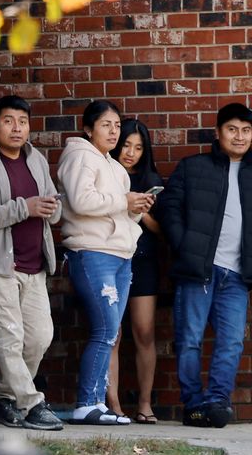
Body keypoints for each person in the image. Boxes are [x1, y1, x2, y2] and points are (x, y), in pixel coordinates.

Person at [159, 102, 252, 428]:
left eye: (246, 130)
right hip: (198, 269)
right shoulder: (193, 167)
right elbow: (169, 208)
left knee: (231, 342)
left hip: (238, 274)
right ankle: (193, 405)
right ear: (218, 132)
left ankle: (216, 402)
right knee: (190, 339)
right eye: (232, 129)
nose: (240, 136)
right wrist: (184, 245)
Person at [0, 94, 64, 431]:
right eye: (8, 121)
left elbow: (52, 205)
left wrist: (52, 208)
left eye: (22, 121)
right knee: (9, 338)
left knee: (39, 338)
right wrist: (25, 208)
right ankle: (31, 404)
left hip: (34, 267)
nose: (17, 128)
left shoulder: (36, 160)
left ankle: (2, 396)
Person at [57, 100, 155, 426]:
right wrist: (124, 200)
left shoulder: (114, 166)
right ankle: (87, 403)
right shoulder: (80, 156)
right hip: (92, 251)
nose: (113, 132)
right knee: (104, 330)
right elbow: (81, 201)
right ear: (88, 129)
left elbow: (117, 212)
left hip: (121, 255)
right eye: (105, 125)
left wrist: (136, 208)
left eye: (116, 125)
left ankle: (97, 402)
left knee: (110, 332)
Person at [105, 119, 164, 424]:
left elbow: (162, 229)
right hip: (110, 257)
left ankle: (144, 404)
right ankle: (113, 404)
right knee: (112, 334)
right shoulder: (105, 173)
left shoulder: (150, 179)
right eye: (126, 145)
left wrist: (140, 212)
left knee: (144, 331)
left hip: (143, 261)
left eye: (138, 148)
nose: (131, 153)